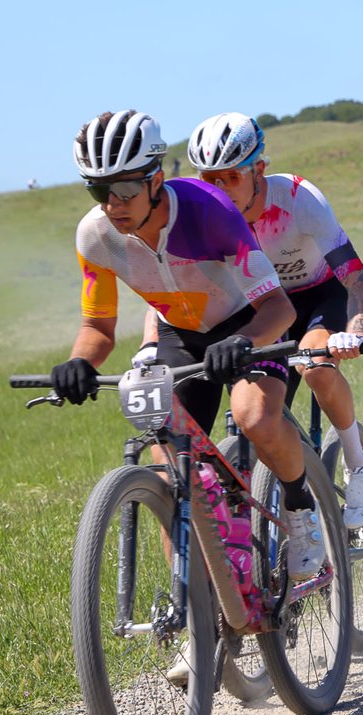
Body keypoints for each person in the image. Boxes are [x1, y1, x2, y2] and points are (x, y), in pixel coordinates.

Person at [51, 109, 326, 581]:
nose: (113, 204)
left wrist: (242, 341)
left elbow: (280, 309)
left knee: (255, 416)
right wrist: (78, 361)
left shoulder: (209, 211)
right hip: (179, 332)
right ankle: (196, 616)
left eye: (126, 189)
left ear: (156, 179)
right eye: (100, 191)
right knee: (172, 477)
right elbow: (98, 326)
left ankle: (301, 510)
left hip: (248, 319)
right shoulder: (95, 237)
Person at [173, 112, 363, 528]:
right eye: (208, 180)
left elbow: (357, 280)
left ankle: (359, 464)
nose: (218, 191)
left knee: (313, 364)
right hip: (256, 307)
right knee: (257, 418)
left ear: (259, 169)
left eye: (230, 178)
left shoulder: (299, 199)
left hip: (315, 297)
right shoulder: (201, 215)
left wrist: (354, 333)